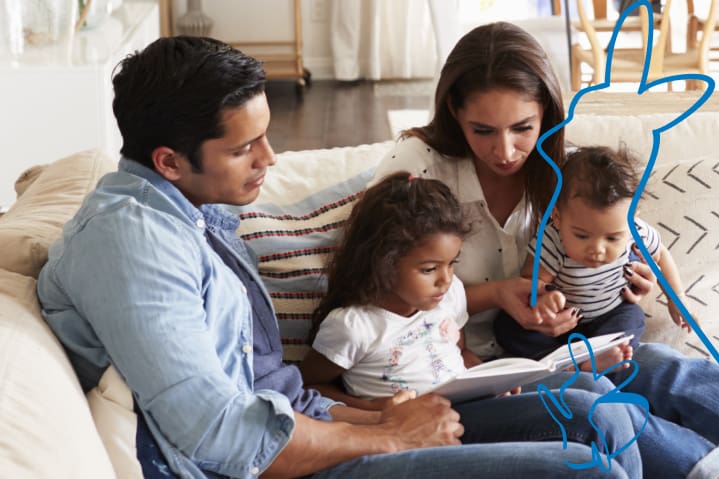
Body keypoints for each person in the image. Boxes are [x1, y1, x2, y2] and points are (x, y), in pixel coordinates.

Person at [36, 36, 645, 479]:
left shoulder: (190, 213)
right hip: (292, 460)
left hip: (321, 420)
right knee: (585, 465)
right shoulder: (133, 245)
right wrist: (381, 436)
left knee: (600, 413)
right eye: (246, 147)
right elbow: (218, 434)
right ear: (169, 160)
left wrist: (377, 414)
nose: (270, 159)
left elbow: (275, 388)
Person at [372, 20, 719, 478]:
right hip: (462, 372)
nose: (506, 151)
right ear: (454, 110)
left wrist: (635, 280)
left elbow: (620, 241)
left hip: (556, 348)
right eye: (483, 130)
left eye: (523, 128)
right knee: (603, 402)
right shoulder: (418, 167)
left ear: (545, 115)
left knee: (661, 366)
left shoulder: (566, 173)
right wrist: (497, 294)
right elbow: (376, 290)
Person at [494, 145, 693, 360]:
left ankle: (600, 357)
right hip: (560, 325)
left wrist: (677, 297)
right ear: (557, 217)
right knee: (507, 326)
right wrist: (543, 301)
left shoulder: (636, 231)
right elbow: (531, 281)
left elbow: (660, 256)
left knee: (632, 318)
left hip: (610, 314)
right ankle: (563, 360)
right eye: (582, 236)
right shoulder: (552, 240)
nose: (597, 250)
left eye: (612, 238)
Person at [300, 172, 474, 403]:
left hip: (470, 407)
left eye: (452, 263)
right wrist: (375, 410)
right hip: (421, 430)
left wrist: (493, 383)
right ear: (384, 263)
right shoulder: (354, 327)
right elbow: (308, 385)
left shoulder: (450, 295)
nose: (446, 279)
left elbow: (459, 352)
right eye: (429, 269)